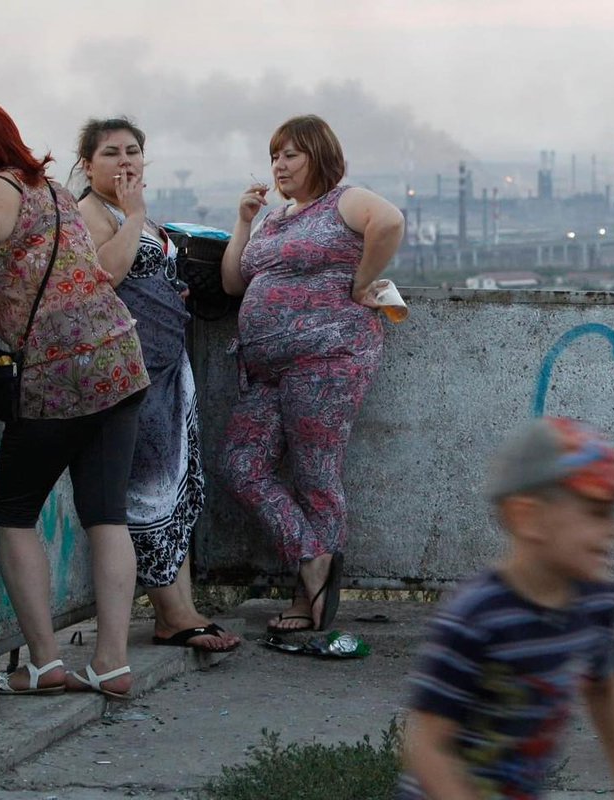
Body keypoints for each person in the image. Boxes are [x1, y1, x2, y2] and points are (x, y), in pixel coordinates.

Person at [0, 97, 148, 700]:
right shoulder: (49, 188)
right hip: (119, 359)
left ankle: (44, 664)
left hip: (60, 374)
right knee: (105, 514)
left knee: (13, 512)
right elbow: (15, 266)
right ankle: (112, 663)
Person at [397, 416, 614, 800]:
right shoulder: (475, 616)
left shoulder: (593, 601)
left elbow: (603, 686)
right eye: (599, 512)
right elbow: (428, 747)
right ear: (527, 517)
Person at [219, 114, 404, 634]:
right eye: (275, 155)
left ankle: (309, 603)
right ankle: (311, 555)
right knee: (240, 464)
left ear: (319, 157)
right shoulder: (275, 219)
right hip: (266, 367)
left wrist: (359, 283)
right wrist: (244, 220)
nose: (279, 164)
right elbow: (234, 282)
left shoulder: (344, 200)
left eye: (291, 154)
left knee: (315, 477)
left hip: (328, 358)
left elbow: (388, 222)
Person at [74, 117, 240, 653]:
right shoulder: (89, 214)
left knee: (178, 489)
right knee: (146, 492)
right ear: (87, 165)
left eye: (133, 152)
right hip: (131, 374)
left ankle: (183, 610)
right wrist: (139, 215)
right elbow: (103, 276)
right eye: (111, 154)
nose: (125, 162)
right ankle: (171, 613)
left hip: (171, 367)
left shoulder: (132, 216)